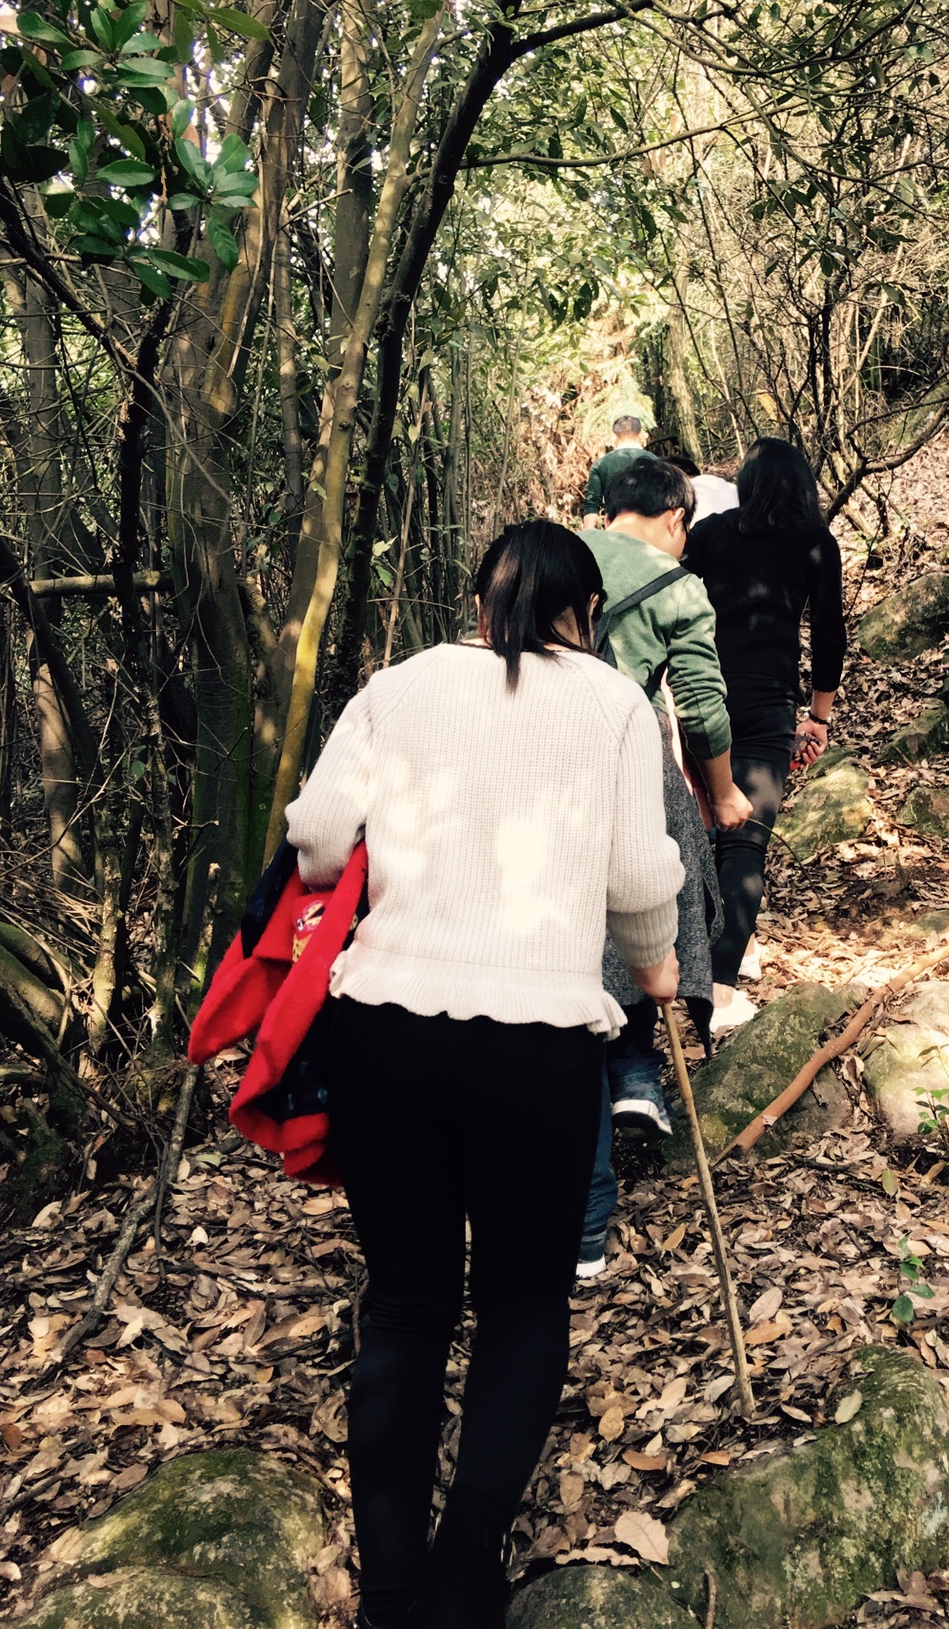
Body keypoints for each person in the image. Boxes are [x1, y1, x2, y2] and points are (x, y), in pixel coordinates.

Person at [285, 522, 683, 1629]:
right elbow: (642, 875)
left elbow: (318, 836)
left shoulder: (402, 684)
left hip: (387, 1035)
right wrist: (655, 972)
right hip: (539, 1047)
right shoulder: (610, 704)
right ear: (585, 613)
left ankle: (393, 1592)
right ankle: (467, 1565)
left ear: (482, 606)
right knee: (522, 1301)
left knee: (407, 1307)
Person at [577, 455, 751, 1274]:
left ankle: (609, 1069)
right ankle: (638, 1069)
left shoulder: (552, 552)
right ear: (678, 518)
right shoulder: (679, 587)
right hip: (629, 745)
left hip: (535, 749)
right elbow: (706, 709)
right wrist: (720, 798)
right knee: (654, 888)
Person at [685, 438, 846, 1013]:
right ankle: (718, 987)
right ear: (801, 484)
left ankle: (690, 964)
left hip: (696, 695)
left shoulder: (707, 536)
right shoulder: (813, 542)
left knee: (698, 828)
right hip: (766, 705)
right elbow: (830, 637)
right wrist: (818, 718)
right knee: (746, 842)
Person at [581, 413, 648, 527]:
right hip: (647, 530)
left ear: (614, 436)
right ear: (640, 435)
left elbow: (592, 503)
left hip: (614, 529)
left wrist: (588, 535)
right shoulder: (657, 463)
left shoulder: (601, 464)